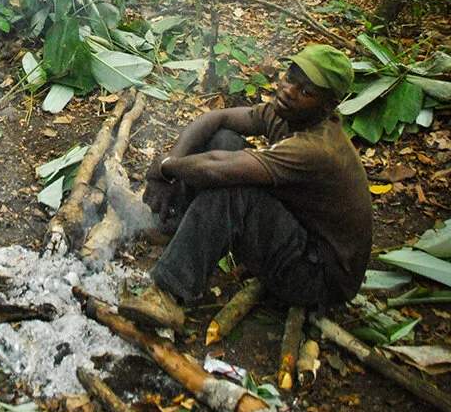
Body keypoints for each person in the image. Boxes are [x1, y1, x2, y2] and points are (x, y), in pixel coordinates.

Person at [123, 44, 372, 333]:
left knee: (232, 189)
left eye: (306, 92)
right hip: (301, 235)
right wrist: (170, 166)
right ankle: (175, 225)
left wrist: (164, 167)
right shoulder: (288, 114)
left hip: (320, 277)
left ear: (327, 107)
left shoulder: (316, 148)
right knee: (224, 139)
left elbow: (216, 169)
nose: (290, 91)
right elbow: (218, 118)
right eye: (290, 78)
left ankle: (167, 296)